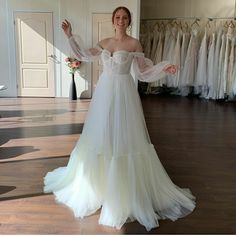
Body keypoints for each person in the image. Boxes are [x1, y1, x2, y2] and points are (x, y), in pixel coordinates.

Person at [44, 6, 195, 231]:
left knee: (124, 136)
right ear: (113, 21)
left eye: (125, 17)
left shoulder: (134, 44)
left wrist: (165, 68)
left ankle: (124, 188)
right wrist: (69, 35)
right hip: (105, 92)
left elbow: (144, 72)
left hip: (125, 92)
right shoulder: (104, 42)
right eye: (117, 17)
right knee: (101, 133)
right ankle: (97, 185)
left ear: (129, 21)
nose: (121, 20)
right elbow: (84, 54)